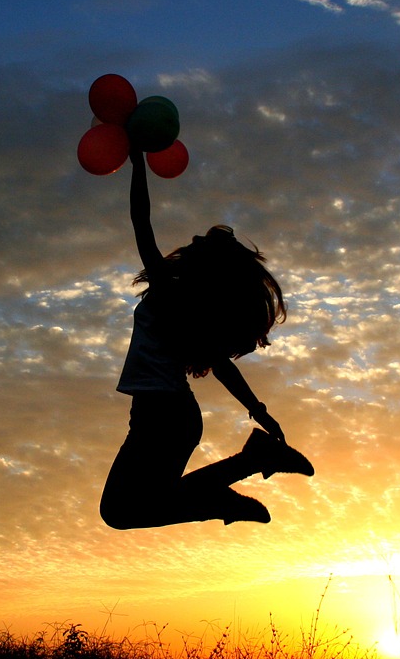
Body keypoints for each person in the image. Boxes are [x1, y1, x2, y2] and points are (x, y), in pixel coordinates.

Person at [100, 151, 314, 529]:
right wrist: (258, 410)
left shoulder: (172, 293)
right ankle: (250, 465)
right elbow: (220, 364)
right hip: (165, 413)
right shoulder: (190, 303)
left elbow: (140, 222)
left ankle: (244, 472)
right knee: (132, 507)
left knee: (121, 510)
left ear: (207, 264)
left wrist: (137, 166)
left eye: (200, 242)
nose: (193, 239)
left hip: (164, 415)